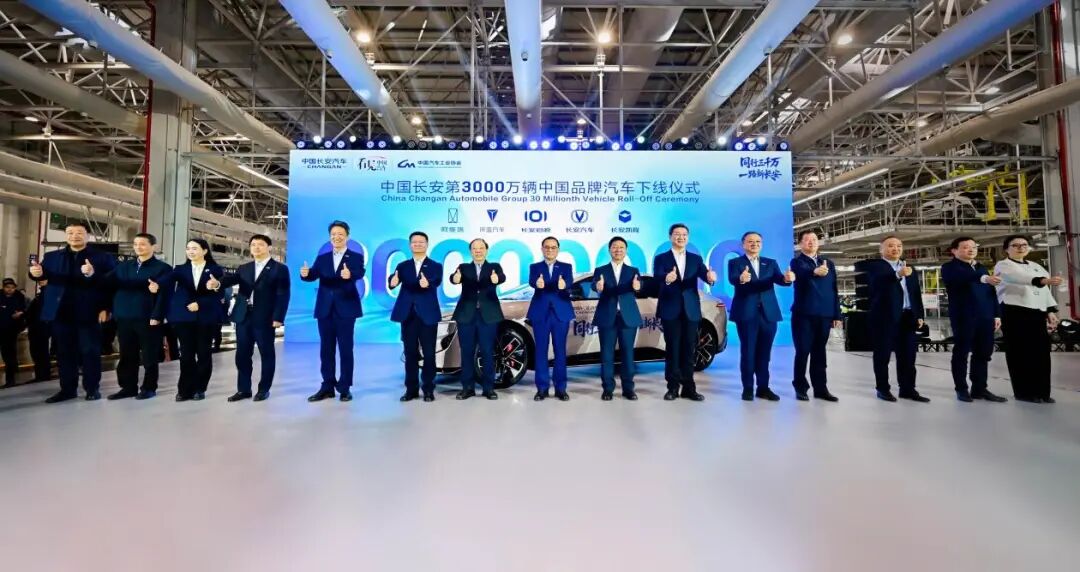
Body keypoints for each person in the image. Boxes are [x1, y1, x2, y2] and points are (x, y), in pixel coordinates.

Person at [29, 221, 116, 403]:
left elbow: (111, 284)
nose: (74, 236)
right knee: (64, 352)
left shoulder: (102, 258)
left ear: (87, 236)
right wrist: (36, 273)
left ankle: (92, 388)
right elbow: (43, 276)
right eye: (70, 232)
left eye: (79, 233)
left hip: (89, 313)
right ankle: (67, 389)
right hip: (61, 313)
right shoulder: (52, 257)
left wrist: (105, 306)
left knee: (90, 351)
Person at [218, 234, 290, 402]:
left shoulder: (279, 269)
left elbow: (283, 294)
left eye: (260, 244)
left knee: (266, 353)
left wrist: (278, 317)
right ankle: (244, 389)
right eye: (253, 245)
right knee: (242, 354)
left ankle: (264, 389)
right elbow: (230, 280)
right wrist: (218, 283)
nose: (256, 247)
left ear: (269, 247)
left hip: (265, 317)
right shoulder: (244, 268)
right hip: (243, 316)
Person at [101, 233, 172, 400]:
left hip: (148, 317)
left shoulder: (163, 268)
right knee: (127, 354)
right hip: (124, 316)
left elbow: (165, 295)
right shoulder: (123, 267)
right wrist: (90, 274)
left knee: (149, 355)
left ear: (153, 247)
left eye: (143, 244)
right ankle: (128, 387)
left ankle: (149, 387)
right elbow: (106, 284)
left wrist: (158, 315)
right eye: (135, 244)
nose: (138, 247)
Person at [993, 234, 1061, 403]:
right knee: (1020, 353)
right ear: (1006, 249)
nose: (1021, 248)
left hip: (1037, 313)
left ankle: (1043, 392)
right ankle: (1024, 392)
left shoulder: (1036, 266)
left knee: (1041, 353)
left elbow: (1045, 290)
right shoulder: (1003, 265)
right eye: (1015, 245)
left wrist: (1050, 310)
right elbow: (1017, 278)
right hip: (1015, 311)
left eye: (1024, 245)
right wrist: (1043, 280)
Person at [727, 231, 793, 401]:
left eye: (758, 241)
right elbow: (733, 279)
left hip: (768, 314)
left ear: (761, 244)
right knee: (748, 352)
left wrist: (787, 279)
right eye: (750, 241)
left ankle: (763, 388)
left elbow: (780, 280)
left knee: (765, 354)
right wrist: (742, 279)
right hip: (746, 313)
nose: (754, 244)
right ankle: (748, 388)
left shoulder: (770, 263)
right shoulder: (735, 262)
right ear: (743, 244)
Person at [940, 237, 1008, 403]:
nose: (971, 250)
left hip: (985, 316)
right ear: (954, 250)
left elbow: (991, 293)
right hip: (964, 316)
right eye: (965, 247)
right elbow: (963, 277)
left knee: (983, 353)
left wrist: (996, 314)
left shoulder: (981, 267)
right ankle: (961, 389)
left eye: (974, 247)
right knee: (962, 352)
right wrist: (984, 278)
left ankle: (979, 388)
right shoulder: (949, 268)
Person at [653, 223, 716, 401]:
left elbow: (705, 275)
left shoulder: (696, 259)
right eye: (677, 234)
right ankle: (672, 388)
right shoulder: (661, 258)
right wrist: (667, 278)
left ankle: (689, 388)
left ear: (688, 238)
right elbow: (657, 276)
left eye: (684, 234)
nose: (680, 237)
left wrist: (711, 279)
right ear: (670, 237)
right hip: (670, 309)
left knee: (690, 349)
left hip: (691, 310)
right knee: (672, 350)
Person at [303, 220, 365, 402]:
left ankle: (345, 387)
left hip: (346, 308)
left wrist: (350, 275)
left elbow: (360, 272)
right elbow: (313, 274)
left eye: (340, 234)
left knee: (346, 349)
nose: (336, 237)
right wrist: (305, 274)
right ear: (330, 237)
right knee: (326, 349)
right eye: (333, 234)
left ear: (347, 236)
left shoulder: (355, 256)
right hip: (325, 309)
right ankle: (327, 386)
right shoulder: (323, 258)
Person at [158, 239, 224, 402]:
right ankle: (184, 389)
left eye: (194, 248)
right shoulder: (180, 269)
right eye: (188, 248)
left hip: (205, 318)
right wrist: (156, 284)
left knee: (203, 354)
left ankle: (200, 388)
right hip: (184, 318)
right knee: (186, 355)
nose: (190, 251)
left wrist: (200, 303)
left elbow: (219, 294)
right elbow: (166, 280)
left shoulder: (215, 270)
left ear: (204, 251)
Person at [864, 236, 927, 402]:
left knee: (908, 355)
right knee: (883, 354)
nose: (896, 249)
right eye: (891, 246)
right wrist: (897, 275)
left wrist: (919, 314)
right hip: (884, 317)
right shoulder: (875, 267)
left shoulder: (909, 267)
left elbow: (915, 293)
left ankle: (908, 389)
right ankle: (883, 389)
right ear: (881, 250)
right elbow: (876, 285)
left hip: (908, 316)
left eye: (899, 245)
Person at [388, 231, 443, 402]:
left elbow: (437, 281)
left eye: (421, 242)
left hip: (428, 315)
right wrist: (392, 282)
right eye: (414, 242)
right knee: (410, 353)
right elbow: (394, 280)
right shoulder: (403, 266)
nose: (417, 244)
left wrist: (428, 283)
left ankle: (428, 389)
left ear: (427, 244)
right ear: (410, 245)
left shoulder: (435, 265)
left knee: (429, 354)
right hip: (408, 315)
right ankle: (411, 390)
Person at [448, 238, 505, 400]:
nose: (478, 251)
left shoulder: (494, 267)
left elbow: (501, 277)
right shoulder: (463, 267)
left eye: (481, 248)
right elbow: (454, 278)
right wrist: (455, 279)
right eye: (474, 248)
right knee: (466, 352)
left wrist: (497, 279)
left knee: (487, 351)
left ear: (486, 250)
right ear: (471, 251)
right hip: (466, 315)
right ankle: (467, 388)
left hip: (488, 316)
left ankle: (488, 388)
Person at [789, 230, 841, 402]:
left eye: (814, 239)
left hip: (824, 314)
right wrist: (815, 272)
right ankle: (800, 387)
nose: (811, 242)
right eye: (807, 240)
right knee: (803, 351)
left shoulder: (828, 263)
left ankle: (821, 388)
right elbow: (801, 274)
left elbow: (834, 289)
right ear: (800, 244)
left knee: (820, 353)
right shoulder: (797, 262)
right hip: (803, 314)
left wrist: (836, 314)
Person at [591, 236, 642, 401]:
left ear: (626, 251)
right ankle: (607, 389)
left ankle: (628, 389)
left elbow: (639, 286)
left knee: (628, 354)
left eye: (621, 247)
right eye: (614, 247)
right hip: (607, 316)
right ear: (609, 250)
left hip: (628, 317)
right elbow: (594, 285)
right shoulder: (601, 270)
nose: (618, 250)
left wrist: (638, 286)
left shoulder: (633, 270)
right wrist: (598, 286)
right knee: (607, 355)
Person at [527, 236, 575, 401]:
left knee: (560, 351)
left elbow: (569, 282)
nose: (550, 250)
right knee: (541, 351)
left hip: (560, 313)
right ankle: (542, 389)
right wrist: (537, 284)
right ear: (542, 249)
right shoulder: (535, 267)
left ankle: (561, 389)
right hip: (540, 313)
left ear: (558, 249)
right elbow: (532, 282)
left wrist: (564, 285)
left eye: (553, 247)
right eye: (547, 247)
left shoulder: (566, 267)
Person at [0, 278, 28, 388]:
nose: (10, 290)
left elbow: (25, 310)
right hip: (1, 328)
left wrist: (21, 314)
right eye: (7, 287)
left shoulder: (19, 297)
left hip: (11, 330)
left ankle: (11, 380)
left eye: (12, 287)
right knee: (7, 354)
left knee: (9, 354)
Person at [25, 281, 53, 383]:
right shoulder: (40, 296)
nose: (40, 282)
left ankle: (43, 375)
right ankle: (41, 375)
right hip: (37, 328)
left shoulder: (47, 294)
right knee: (38, 353)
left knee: (40, 353)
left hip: (41, 329)